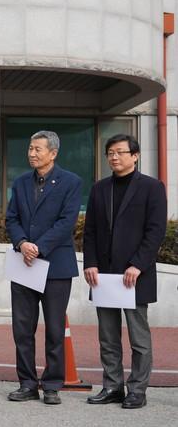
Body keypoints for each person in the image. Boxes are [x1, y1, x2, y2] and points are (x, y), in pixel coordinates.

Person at [83, 134, 167, 409]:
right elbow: (90, 230)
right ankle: (112, 386)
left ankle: (137, 390)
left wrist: (138, 264)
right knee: (108, 337)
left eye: (120, 152)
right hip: (104, 274)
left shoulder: (152, 187)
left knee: (138, 338)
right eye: (110, 153)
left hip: (135, 275)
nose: (114, 157)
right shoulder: (99, 188)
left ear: (135, 156)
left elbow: (156, 231)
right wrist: (90, 263)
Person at [5, 130, 82, 405]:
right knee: (22, 328)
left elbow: (66, 222)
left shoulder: (71, 182)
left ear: (53, 153)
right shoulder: (21, 182)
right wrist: (22, 243)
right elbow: (11, 218)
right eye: (30, 148)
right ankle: (27, 383)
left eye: (37, 149)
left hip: (55, 266)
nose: (32, 153)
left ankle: (51, 385)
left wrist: (38, 247)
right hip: (23, 264)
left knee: (54, 328)